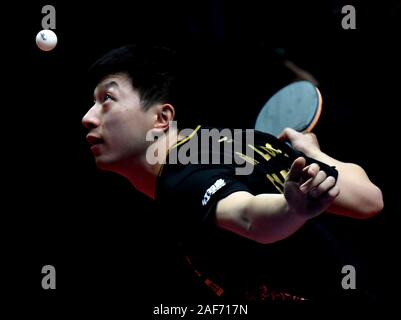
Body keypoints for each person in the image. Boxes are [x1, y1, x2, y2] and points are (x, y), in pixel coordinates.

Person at [82, 44, 383, 301]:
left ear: (162, 118)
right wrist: (314, 155)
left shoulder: (180, 177)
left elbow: (248, 216)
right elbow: (370, 201)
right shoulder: (239, 140)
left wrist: (292, 208)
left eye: (107, 99)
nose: (87, 118)